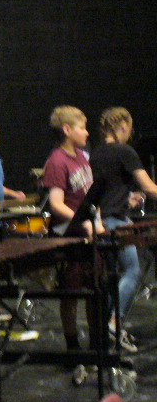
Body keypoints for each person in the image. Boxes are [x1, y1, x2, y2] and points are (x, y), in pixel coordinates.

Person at [90, 107, 157, 351]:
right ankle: (114, 323)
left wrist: (127, 198)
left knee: (113, 277)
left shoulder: (96, 153)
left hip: (102, 220)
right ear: (122, 126)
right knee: (133, 272)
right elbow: (149, 187)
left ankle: (109, 327)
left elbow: (105, 190)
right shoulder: (125, 151)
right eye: (129, 128)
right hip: (117, 222)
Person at [42, 105, 103, 353]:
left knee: (95, 291)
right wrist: (83, 220)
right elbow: (56, 204)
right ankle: (73, 348)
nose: (87, 133)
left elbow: (89, 195)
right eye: (82, 127)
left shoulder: (82, 157)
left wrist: (97, 220)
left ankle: (97, 345)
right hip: (69, 237)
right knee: (71, 294)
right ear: (67, 129)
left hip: (88, 234)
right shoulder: (57, 161)